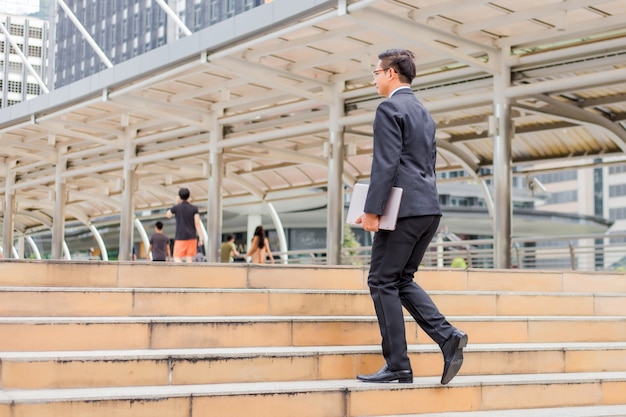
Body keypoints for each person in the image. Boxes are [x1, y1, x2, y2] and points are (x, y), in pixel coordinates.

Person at [354, 49, 467, 385]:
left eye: (375, 73)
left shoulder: (389, 107)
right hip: (427, 208)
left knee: (381, 280)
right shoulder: (422, 111)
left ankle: (398, 365)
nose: (373, 79)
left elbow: (385, 164)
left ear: (390, 73)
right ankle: (447, 337)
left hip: (402, 211)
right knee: (400, 279)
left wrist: (372, 211)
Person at [166, 187, 202, 262]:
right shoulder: (194, 208)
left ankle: (181, 273)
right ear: (188, 196)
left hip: (180, 237)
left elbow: (168, 215)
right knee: (189, 258)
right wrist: (201, 237)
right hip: (192, 237)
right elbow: (197, 223)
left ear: (179, 196)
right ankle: (188, 273)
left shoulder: (177, 207)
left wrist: (177, 202)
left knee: (177, 258)